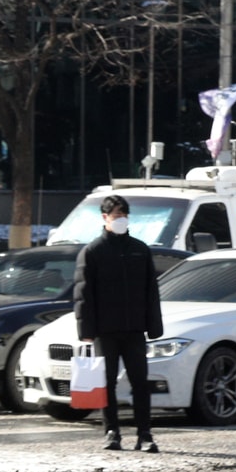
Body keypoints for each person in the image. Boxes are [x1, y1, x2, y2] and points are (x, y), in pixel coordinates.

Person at [74, 194, 163, 453]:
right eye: (116, 215)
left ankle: (144, 434)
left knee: (140, 382)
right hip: (105, 331)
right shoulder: (93, 251)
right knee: (107, 382)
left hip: (134, 329)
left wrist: (153, 326)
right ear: (105, 218)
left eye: (124, 215)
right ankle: (111, 432)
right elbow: (83, 294)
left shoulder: (139, 249)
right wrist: (86, 331)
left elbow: (151, 291)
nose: (120, 219)